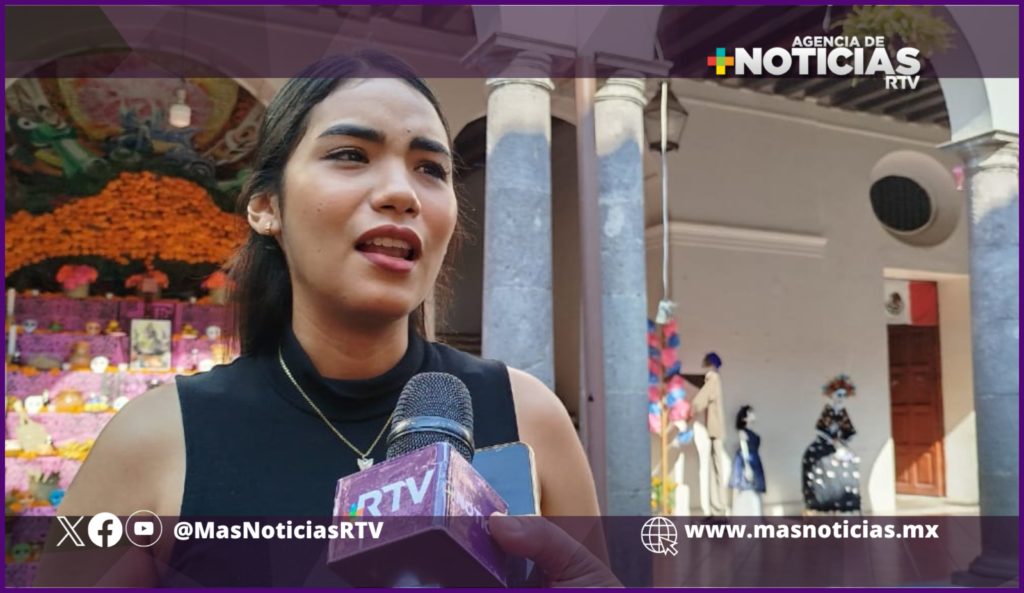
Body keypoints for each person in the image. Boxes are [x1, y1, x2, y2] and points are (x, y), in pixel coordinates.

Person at [45, 51, 604, 586]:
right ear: (266, 207)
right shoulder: (153, 440)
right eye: (351, 155)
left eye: (431, 168)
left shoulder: (530, 417)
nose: (401, 193)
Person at [801, 374, 861, 514]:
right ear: (832, 395)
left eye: (844, 395)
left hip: (838, 444)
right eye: (839, 395)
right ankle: (822, 502)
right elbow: (820, 429)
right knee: (823, 465)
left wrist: (842, 441)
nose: (841, 398)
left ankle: (845, 501)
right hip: (824, 444)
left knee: (850, 462)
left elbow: (848, 430)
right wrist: (832, 441)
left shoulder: (842, 412)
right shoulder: (828, 410)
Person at [689, 352, 728, 517]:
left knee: (717, 470)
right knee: (714, 469)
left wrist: (689, 409)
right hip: (714, 430)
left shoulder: (713, 378)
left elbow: (701, 399)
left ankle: (720, 511)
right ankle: (716, 510)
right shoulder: (714, 378)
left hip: (715, 430)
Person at [729, 405, 766, 516]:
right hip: (747, 461)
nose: (753, 414)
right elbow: (743, 448)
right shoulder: (743, 432)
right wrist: (747, 466)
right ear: (744, 418)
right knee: (747, 488)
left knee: (755, 490)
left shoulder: (752, 433)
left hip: (754, 460)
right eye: (750, 413)